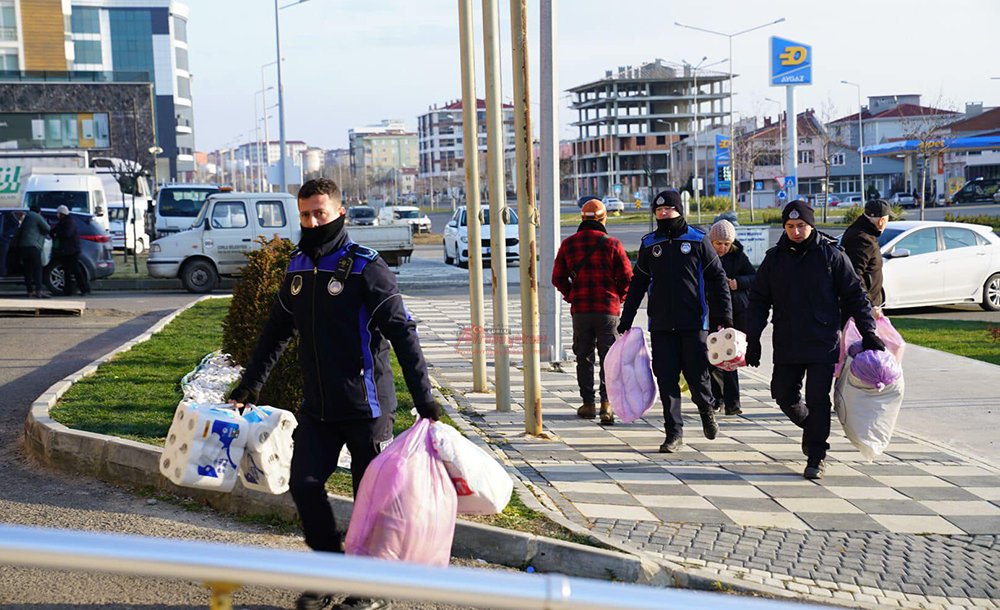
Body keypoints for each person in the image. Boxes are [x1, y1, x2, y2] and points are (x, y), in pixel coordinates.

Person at [228, 178, 438, 610]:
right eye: (305, 214)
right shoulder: (297, 267)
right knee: (304, 485)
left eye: (319, 213)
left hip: (367, 409)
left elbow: (402, 333)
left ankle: (369, 587)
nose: (311, 221)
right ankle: (330, 570)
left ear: (339, 213)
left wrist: (425, 401)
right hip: (318, 409)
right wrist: (249, 385)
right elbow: (276, 332)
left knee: (370, 504)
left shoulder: (367, 267)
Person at [745, 200, 884, 480]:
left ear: (811, 225)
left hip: (823, 341)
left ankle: (816, 455)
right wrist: (753, 338)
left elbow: (856, 295)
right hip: (788, 341)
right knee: (783, 395)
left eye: (801, 226)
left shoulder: (831, 255)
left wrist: (869, 332)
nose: (796, 231)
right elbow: (759, 300)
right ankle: (813, 428)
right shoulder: (775, 259)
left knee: (817, 399)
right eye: (790, 226)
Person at [617, 190, 732, 453]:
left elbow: (718, 280)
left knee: (697, 376)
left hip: (694, 323)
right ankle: (673, 433)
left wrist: (724, 316)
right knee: (666, 379)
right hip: (660, 324)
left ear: (679, 210)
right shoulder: (649, 244)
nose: (663, 214)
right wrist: (627, 317)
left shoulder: (698, 240)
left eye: (668, 209)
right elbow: (638, 284)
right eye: (658, 211)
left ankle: (706, 410)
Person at [552, 196, 633, 425]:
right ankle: (607, 404)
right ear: (604, 218)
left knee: (583, 357)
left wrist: (572, 295)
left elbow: (557, 277)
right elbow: (628, 277)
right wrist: (618, 297)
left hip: (581, 310)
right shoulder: (613, 244)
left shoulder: (569, 244)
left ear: (581, 218)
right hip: (608, 310)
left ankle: (588, 404)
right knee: (609, 358)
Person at [706, 219, 755, 416]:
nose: (723, 248)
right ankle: (716, 399)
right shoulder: (705, 256)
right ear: (711, 242)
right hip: (711, 312)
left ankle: (733, 403)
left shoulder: (738, 257)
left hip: (734, 312)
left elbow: (754, 277)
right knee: (712, 358)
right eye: (719, 243)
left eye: (726, 244)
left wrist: (737, 283)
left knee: (730, 358)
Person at [841, 199, 891, 311]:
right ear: (881, 221)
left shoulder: (860, 232)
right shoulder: (863, 239)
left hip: (865, 306)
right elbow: (855, 276)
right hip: (863, 309)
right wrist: (868, 306)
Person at [51, 205, 90, 296]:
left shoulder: (69, 222)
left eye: (59, 213)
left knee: (76, 271)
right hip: (67, 251)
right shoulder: (63, 222)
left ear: (62, 214)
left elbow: (67, 234)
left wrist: (57, 234)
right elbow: (54, 230)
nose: (57, 215)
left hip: (72, 251)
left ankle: (84, 289)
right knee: (67, 271)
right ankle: (68, 291)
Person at [15, 203, 50, 298]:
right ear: (39, 211)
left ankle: (29, 291)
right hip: (34, 246)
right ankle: (39, 291)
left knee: (28, 270)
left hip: (23, 247)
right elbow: (47, 228)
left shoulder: (26, 217)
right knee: (38, 269)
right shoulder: (37, 217)